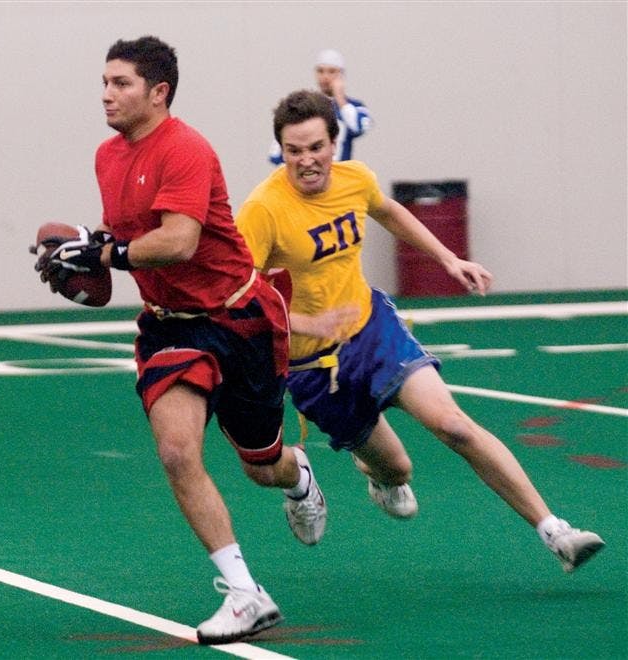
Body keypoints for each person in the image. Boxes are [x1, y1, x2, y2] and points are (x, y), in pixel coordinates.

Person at [237, 89, 605, 573]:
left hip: (372, 331)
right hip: (312, 368)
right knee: (398, 468)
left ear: (334, 142)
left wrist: (449, 259)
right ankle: (369, 475)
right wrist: (306, 323)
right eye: (294, 151)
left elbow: (387, 211)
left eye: (315, 147)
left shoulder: (355, 180)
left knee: (454, 425)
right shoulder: (263, 210)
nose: (306, 160)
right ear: (281, 150)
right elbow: (240, 295)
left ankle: (556, 532)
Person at [33, 38, 327, 645]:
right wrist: (83, 247)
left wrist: (105, 252)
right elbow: (126, 234)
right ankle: (246, 594)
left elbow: (179, 241)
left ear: (158, 92)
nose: (107, 94)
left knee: (262, 463)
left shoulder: (187, 148)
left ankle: (297, 475)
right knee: (176, 450)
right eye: (105, 82)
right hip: (171, 325)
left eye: (121, 83)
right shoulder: (107, 156)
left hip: (238, 318)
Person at [268, 49, 371, 165]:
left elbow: (358, 128)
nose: (325, 77)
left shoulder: (354, 106)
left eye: (332, 71)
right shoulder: (306, 105)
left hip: (338, 175)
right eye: (320, 71)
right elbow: (277, 152)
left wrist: (340, 99)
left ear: (341, 74)